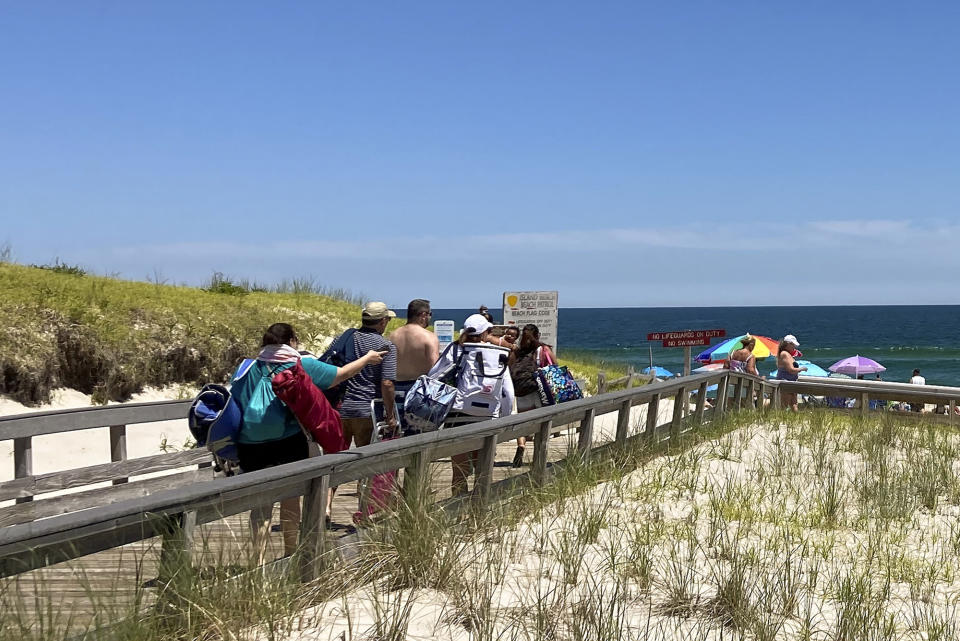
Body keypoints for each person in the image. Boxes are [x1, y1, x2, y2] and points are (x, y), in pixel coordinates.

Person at [231, 323, 385, 561]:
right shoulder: (300, 365)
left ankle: (257, 563)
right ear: (292, 340)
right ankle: (291, 555)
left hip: (250, 443)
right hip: (288, 440)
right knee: (291, 500)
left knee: (260, 506)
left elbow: (238, 399)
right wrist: (366, 359)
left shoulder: (247, 368)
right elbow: (340, 375)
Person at [427, 313, 514, 496]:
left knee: (459, 471)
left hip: (459, 413)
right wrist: (504, 419)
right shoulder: (498, 354)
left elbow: (434, 375)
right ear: (486, 333)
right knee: (483, 471)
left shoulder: (457, 349)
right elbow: (508, 392)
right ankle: (479, 512)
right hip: (488, 416)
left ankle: (458, 511)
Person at [507, 324, 555, 467]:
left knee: (523, 422)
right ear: (538, 335)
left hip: (521, 390)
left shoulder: (518, 351)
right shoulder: (543, 349)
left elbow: (509, 369)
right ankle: (538, 457)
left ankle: (521, 446)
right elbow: (554, 367)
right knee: (541, 423)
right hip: (538, 391)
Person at [389, 299, 440, 434]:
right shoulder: (428, 337)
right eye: (430, 314)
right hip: (419, 391)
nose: (429, 317)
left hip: (395, 390)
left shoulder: (393, 336)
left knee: (397, 434)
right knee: (420, 437)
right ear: (423, 315)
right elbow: (435, 368)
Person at [775, 334, 807, 411]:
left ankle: (796, 420)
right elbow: (790, 370)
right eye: (793, 345)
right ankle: (781, 419)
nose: (794, 347)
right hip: (786, 381)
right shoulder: (784, 354)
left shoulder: (788, 354)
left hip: (791, 382)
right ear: (788, 344)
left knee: (794, 404)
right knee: (785, 404)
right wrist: (801, 369)